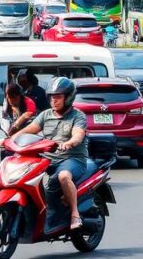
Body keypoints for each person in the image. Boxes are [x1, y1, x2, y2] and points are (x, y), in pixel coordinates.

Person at [15, 77, 88, 230]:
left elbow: (78, 134)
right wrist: (11, 139)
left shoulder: (78, 116)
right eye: (52, 97)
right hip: (48, 159)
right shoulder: (46, 114)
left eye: (58, 97)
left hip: (72, 158)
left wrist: (69, 142)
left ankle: (75, 215)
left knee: (63, 176)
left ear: (68, 98)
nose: (54, 101)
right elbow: (29, 130)